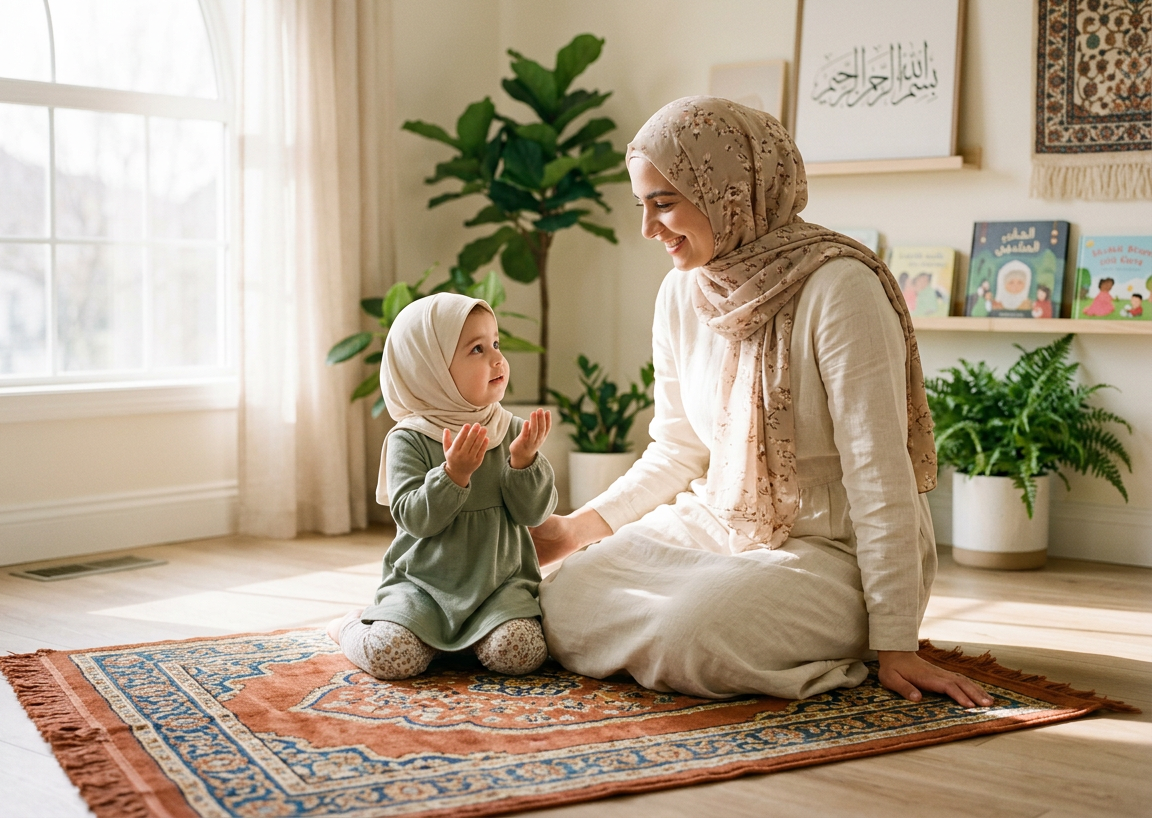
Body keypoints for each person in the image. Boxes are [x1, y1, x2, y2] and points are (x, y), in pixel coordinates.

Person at [533, 96, 992, 709]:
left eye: (664, 204)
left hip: (836, 547)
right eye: (641, 206)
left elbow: (882, 475)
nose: (648, 230)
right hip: (719, 518)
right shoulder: (680, 291)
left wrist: (896, 641)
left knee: (687, 632)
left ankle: (815, 631)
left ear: (731, 191)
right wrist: (573, 532)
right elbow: (676, 450)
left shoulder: (842, 288)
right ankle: (716, 618)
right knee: (566, 597)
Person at [328, 293, 556, 679]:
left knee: (522, 653)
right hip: (422, 588)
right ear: (428, 367)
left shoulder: (511, 430)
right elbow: (415, 520)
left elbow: (534, 514)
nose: (497, 359)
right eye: (477, 349)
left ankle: (463, 641)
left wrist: (523, 462)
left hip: (498, 587)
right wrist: (454, 474)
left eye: (496, 344)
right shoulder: (410, 439)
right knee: (390, 657)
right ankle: (348, 626)